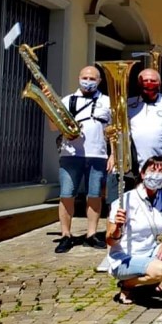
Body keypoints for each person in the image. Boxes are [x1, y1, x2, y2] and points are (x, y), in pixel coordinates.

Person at [106, 156, 162, 304]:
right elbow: (110, 240)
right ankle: (128, 284)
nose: (156, 175)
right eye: (152, 170)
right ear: (142, 174)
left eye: (161, 171)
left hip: (151, 250)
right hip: (126, 258)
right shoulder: (125, 200)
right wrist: (117, 226)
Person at [53, 66, 112, 253]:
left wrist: (114, 156)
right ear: (79, 78)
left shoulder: (108, 102)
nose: (88, 80)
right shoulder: (66, 100)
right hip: (70, 154)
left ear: (99, 81)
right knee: (66, 194)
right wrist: (52, 110)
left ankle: (91, 234)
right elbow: (54, 127)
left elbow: (114, 132)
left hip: (98, 155)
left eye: (92, 78)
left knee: (94, 195)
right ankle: (65, 235)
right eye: (85, 77)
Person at [109, 69, 162, 205]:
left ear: (160, 83)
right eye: (145, 80)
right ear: (138, 83)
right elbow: (117, 133)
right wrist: (113, 155)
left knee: (156, 203)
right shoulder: (127, 104)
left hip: (158, 166)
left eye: (153, 80)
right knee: (129, 204)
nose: (149, 83)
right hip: (131, 166)